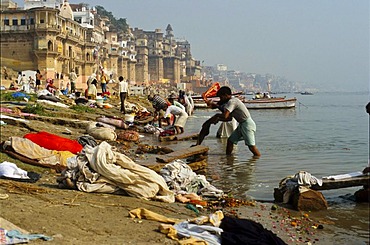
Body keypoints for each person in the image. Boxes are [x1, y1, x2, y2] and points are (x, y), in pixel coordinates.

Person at [208, 86, 261, 157]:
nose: (220, 99)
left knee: (251, 147)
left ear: (226, 95)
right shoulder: (230, 103)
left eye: (221, 97)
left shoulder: (232, 102)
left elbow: (225, 116)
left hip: (247, 125)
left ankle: (257, 160)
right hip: (242, 124)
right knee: (230, 141)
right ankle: (228, 159)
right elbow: (229, 118)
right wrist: (218, 118)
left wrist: (216, 116)